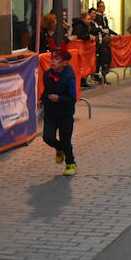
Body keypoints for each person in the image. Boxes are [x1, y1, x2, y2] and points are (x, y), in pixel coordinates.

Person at [41, 47, 78, 176]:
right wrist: (42, 99)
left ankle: (71, 164)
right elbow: (46, 91)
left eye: (57, 59)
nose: (53, 61)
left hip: (65, 114)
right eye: (52, 58)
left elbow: (73, 98)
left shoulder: (69, 77)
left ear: (65, 63)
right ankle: (59, 148)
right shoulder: (47, 74)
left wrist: (59, 98)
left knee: (66, 140)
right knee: (47, 137)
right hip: (50, 113)